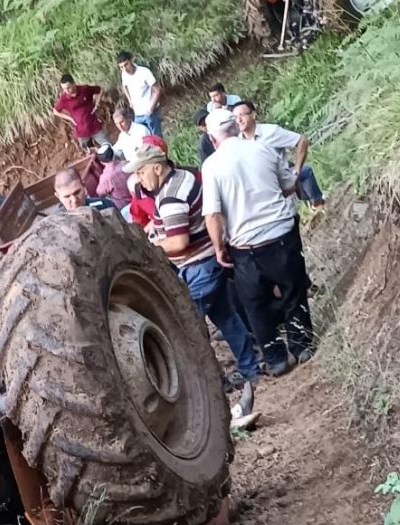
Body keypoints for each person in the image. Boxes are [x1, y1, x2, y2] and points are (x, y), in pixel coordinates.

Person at [124, 144, 261, 386]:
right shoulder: (183, 176)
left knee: (189, 327)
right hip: (207, 261)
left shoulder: (170, 198)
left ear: (157, 168)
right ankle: (250, 368)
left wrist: (151, 245)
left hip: (199, 266)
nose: (139, 179)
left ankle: (216, 384)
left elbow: (178, 241)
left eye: (141, 172)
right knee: (226, 317)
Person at [202, 109, 314, 376]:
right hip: (281, 232)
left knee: (255, 303)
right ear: (235, 128)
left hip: (245, 246)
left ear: (212, 137)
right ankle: (301, 345)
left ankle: (275, 357)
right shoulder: (263, 148)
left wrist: (219, 247)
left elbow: (213, 215)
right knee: (293, 290)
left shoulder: (212, 166)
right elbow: (288, 184)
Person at [233, 100, 326, 209]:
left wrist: (296, 171)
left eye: (242, 115)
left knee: (305, 171)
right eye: (235, 117)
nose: (238, 120)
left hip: (282, 181)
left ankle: (317, 204)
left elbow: (302, 141)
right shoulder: (237, 143)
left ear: (253, 115)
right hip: (260, 191)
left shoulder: (271, 132)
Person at [53, 74, 109, 150]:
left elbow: (100, 90)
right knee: (90, 153)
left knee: (108, 147)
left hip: (95, 127)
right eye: (64, 89)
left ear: (73, 83)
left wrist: (97, 104)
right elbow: (55, 111)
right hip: (81, 133)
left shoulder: (85, 89)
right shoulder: (64, 99)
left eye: (68, 87)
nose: (66, 91)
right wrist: (70, 118)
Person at [116, 51, 161, 137]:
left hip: (150, 112)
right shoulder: (124, 74)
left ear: (131, 60)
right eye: (121, 67)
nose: (125, 69)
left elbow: (157, 90)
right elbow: (124, 86)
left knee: (156, 139)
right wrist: (130, 101)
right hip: (137, 113)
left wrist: (151, 108)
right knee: (141, 138)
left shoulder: (144, 72)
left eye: (126, 65)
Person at [94, 144, 132, 211]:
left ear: (101, 162)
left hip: (122, 207)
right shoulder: (127, 164)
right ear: (114, 154)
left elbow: (99, 193)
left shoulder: (105, 178)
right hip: (137, 197)